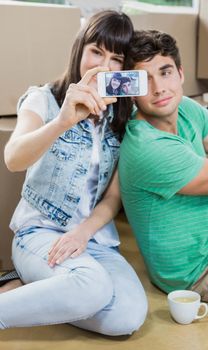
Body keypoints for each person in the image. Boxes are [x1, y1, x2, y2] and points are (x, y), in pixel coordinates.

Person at [0, 11, 148, 334]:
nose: (103, 66)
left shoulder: (120, 119)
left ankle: (33, 289)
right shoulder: (44, 99)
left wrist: (83, 232)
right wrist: (63, 121)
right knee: (93, 288)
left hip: (92, 241)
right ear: (80, 50)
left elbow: (112, 198)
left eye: (116, 58)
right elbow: (13, 157)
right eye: (96, 51)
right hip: (39, 234)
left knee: (129, 316)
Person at [119, 29, 208, 304]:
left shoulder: (183, 108)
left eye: (165, 72)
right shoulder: (147, 146)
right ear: (130, 90)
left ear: (180, 74)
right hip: (198, 269)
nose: (159, 88)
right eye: (144, 80)